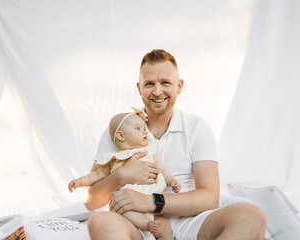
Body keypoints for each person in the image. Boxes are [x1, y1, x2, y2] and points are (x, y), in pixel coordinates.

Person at [85, 49, 267, 240]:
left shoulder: (197, 127)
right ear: (139, 88)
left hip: (189, 221)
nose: (157, 91)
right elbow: (91, 201)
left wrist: (150, 201)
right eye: (149, 84)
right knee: (100, 221)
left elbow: (209, 197)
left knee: (251, 216)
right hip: (136, 222)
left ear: (179, 86)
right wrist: (122, 175)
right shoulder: (119, 130)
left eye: (165, 83)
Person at [68, 108, 180, 239]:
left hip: (153, 197)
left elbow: (161, 167)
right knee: (126, 212)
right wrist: (80, 181)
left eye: (145, 128)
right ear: (121, 136)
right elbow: (97, 175)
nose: (144, 131)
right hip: (128, 202)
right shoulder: (114, 158)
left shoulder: (149, 149)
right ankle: (147, 225)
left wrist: (171, 179)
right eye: (138, 128)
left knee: (164, 224)